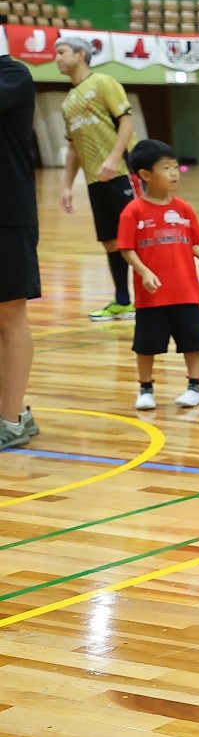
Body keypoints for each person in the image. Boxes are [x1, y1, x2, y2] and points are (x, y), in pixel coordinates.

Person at [117, 139, 199, 410]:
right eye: (166, 168)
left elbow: (194, 242)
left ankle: (195, 386)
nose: (174, 173)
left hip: (185, 291)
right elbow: (126, 249)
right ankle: (145, 389)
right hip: (151, 295)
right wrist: (144, 272)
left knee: (192, 342)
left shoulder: (183, 208)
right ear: (145, 174)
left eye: (176, 167)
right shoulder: (133, 211)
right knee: (146, 345)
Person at [55, 36, 137, 321]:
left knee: (138, 237)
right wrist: (67, 186)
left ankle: (155, 298)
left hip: (122, 174)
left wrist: (113, 159)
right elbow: (73, 148)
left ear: (81, 54)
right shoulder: (68, 101)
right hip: (95, 180)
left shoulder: (103, 83)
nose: (57, 58)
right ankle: (123, 301)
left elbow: (127, 121)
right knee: (111, 241)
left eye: (62, 52)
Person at [0, 51, 39, 450]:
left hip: (8, 215)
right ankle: (15, 410)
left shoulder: (12, 74)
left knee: (10, 315)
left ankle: (9, 422)